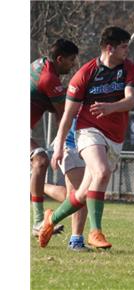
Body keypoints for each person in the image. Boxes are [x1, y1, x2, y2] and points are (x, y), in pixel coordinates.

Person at [39, 26, 134, 249]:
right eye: (124, 46)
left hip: (115, 137)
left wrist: (111, 107)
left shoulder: (129, 69)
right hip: (88, 131)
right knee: (101, 171)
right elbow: (67, 115)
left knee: (82, 194)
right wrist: (57, 149)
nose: (127, 51)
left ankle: (51, 220)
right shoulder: (84, 74)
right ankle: (95, 232)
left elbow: (132, 100)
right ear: (109, 47)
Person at [30, 38, 78, 237]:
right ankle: (38, 222)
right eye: (71, 60)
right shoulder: (49, 79)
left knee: (68, 194)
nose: (74, 64)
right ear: (60, 59)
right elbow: (64, 114)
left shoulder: (39, 63)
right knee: (40, 160)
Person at [45, 118, 90, 251]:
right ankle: (75, 241)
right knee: (79, 194)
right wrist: (58, 148)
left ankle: (39, 186)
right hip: (71, 145)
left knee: (73, 196)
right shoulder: (75, 97)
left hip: (88, 145)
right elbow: (64, 116)